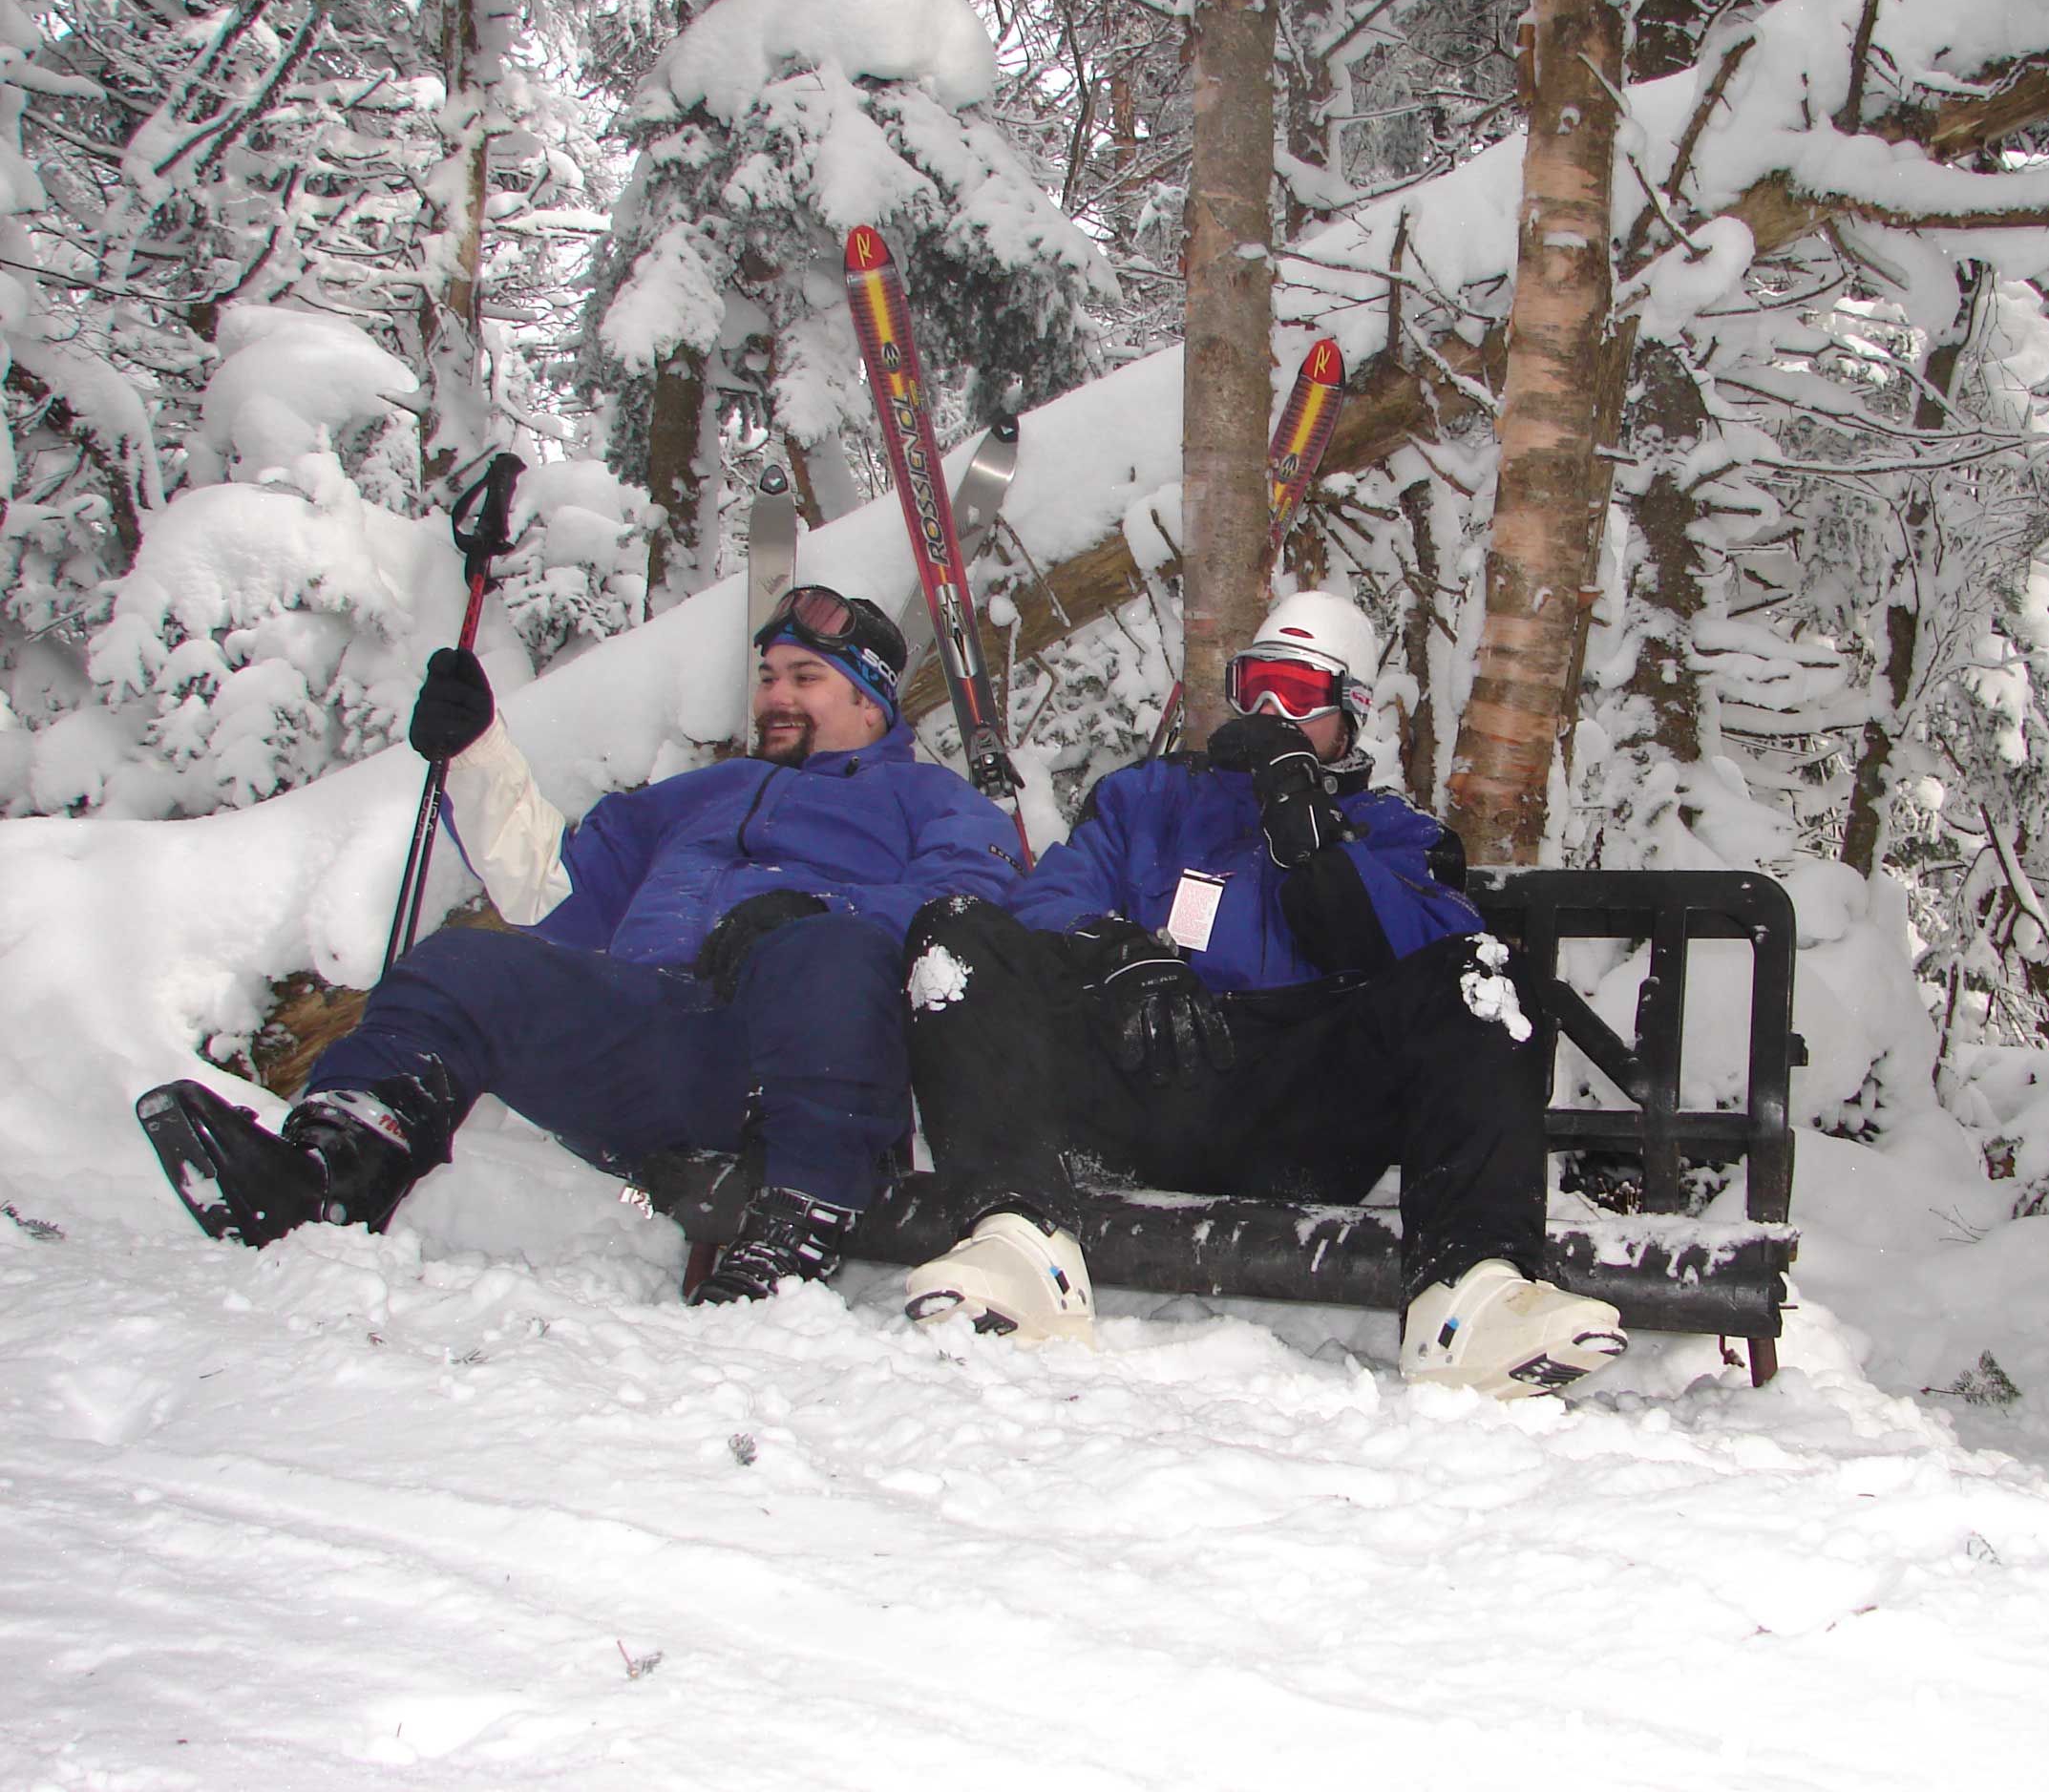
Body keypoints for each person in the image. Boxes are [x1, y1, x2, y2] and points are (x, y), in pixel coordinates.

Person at [143, 586, 1021, 1305]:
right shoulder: (699, 795)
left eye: (806, 678)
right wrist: (475, 752)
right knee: (456, 966)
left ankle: (804, 1217)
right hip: (664, 1045)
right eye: (766, 677)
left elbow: (969, 913)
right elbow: (548, 887)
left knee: (824, 952)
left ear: (869, 703)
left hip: (820, 1059)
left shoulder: (933, 801)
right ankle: (332, 1171)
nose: (775, 696)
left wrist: (807, 913)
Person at [898, 592, 1629, 1399]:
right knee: (954, 931)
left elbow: (1425, 960)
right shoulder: (1150, 797)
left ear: (1350, 713)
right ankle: (1017, 1241)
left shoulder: (1393, 832)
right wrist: (1114, 951)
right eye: (1258, 686)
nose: (1273, 713)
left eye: (1301, 693)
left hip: (1299, 1116)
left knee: (1485, 976)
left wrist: (1311, 833)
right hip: (1141, 1078)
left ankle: (1472, 1293)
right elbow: (1050, 898)